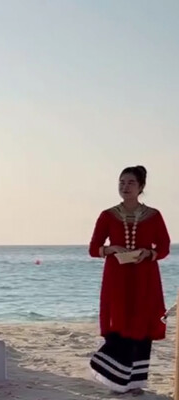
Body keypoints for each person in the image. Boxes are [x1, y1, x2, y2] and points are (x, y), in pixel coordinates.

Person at [88, 165, 170, 395]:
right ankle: (115, 380)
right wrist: (111, 248)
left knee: (142, 323)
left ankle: (135, 383)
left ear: (141, 186)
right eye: (122, 182)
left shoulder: (154, 215)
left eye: (131, 182)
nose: (125, 187)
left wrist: (149, 253)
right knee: (119, 321)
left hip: (145, 277)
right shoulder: (107, 215)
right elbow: (93, 248)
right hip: (117, 278)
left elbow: (164, 247)